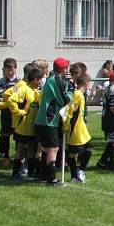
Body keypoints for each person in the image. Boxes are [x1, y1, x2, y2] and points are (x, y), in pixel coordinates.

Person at [34, 57, 72, 186]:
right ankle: (52, 179)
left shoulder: (53, 79)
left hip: (44, 120)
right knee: (53, 149)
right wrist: (71, 91)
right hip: (48, 120)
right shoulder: (55, 80)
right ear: (63, 69)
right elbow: (64, 101)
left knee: (45, 148)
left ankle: (43, 175)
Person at [8, 66, 43, 182]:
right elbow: (11, 100)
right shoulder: (23, 89)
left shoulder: (36, 92)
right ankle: (15, 173)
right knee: (21, 149)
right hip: (22, 127)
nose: (41, 82)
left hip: (33, 127)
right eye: (40, 80)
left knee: (32, 149)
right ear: (35, 79)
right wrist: (19, 112)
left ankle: (31, 172)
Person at [64, 73, 93, 183]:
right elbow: (69, 110)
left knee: (89, 148)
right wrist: (66, 125)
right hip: (75, 129)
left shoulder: (81, 95)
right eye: (88, 83)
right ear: (86, 84)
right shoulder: (77, 95)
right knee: (73, 152)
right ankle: (73, 176)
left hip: (82, 128)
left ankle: (80, 170)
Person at [0, 57, 20, 164]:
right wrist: (14, 91)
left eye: (12, 69)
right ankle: (5, 156)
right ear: (4, 70)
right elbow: (2, 94)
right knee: (5, 134)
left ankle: (17, 154)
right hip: (6, 111)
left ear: (16, 69)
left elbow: (20, 95)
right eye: (8, 70)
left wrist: (10, 92)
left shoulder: (19, 81)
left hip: (16, 111)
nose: (10, 72)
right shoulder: (2, 81)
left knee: (17, 133)